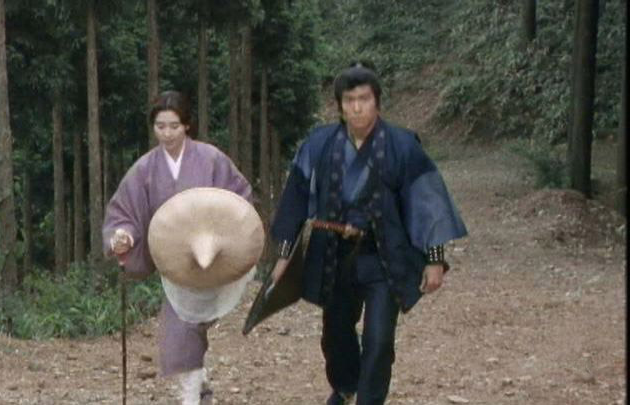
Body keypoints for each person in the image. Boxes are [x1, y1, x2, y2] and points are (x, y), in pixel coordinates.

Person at [269, 63, 467, 405]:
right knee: (335, 336)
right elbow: (295, 199)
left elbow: (426, 201)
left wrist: (435, 258)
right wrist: (284, 255)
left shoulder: (402, 145)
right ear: (340, 105)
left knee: (379, 340)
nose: (357, 108)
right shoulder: (318, 144)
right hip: (333, 256)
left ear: (377, 102)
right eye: (350, 100)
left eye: (364, 99)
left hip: (383, 257)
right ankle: (346, 387)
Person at [102, 90, 252, 405]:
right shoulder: (145, 169)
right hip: (178, 266)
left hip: (214, 258)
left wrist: (227, 235)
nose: (167, 133)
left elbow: (239, 198)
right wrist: (124, 236)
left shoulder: (211, 159)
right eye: (160, 126)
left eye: (174, 126)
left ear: (186, 125)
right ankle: (192, 394)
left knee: (194, 328)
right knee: (180, 330)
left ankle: (197, 381)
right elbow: (125, 211)